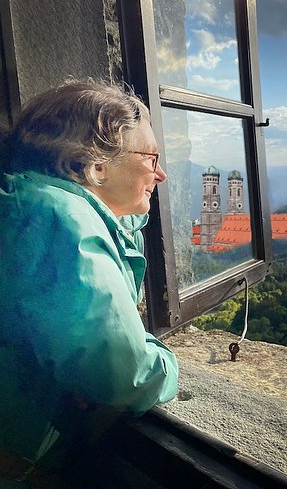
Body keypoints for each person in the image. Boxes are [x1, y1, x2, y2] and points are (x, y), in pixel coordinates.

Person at [0, 80, 179, 486]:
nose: (161, 174)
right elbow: (124, 375)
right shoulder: (63, 222)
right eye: (151, 158)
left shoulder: (25, 202)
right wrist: (167, 362)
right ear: (95, 166)